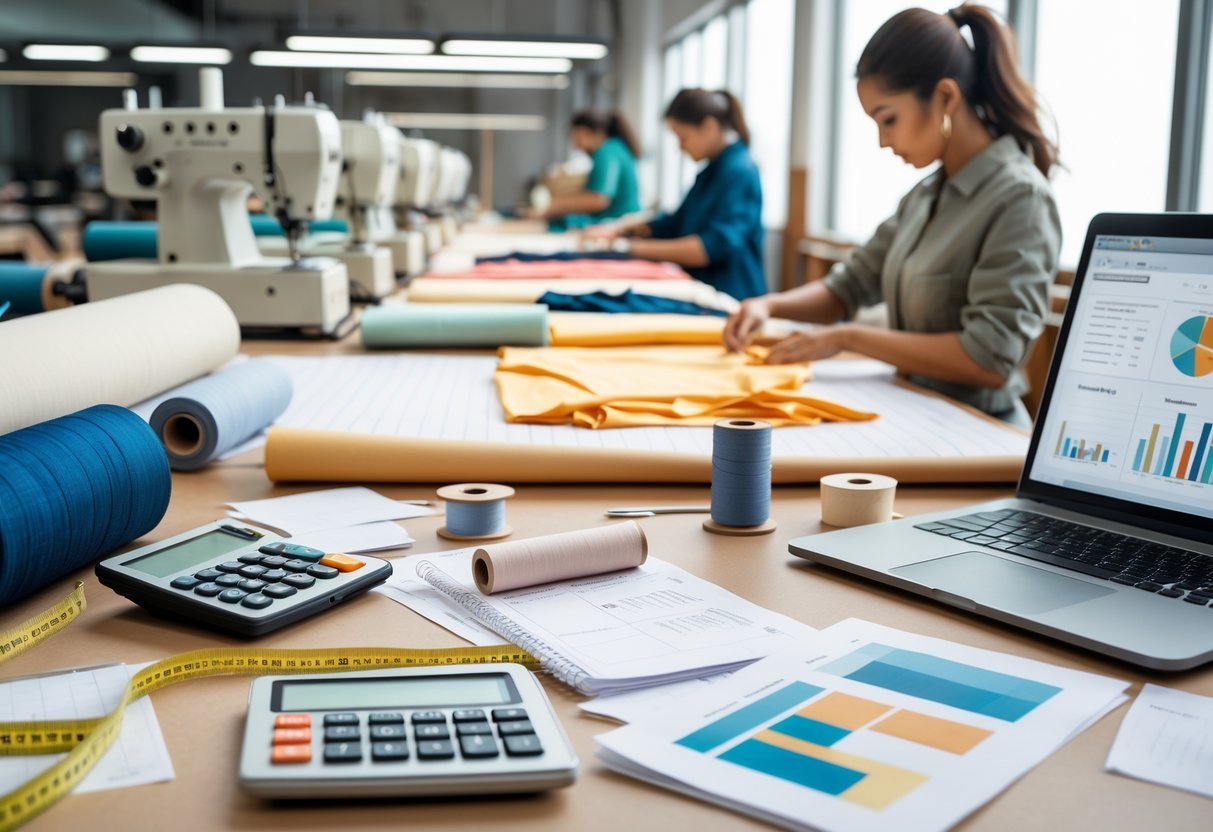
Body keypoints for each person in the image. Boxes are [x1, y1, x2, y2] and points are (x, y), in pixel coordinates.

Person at [724, 4, 1061, 425]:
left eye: (889, 119)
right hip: (917, 412)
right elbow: (851, 284)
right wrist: (769, 305)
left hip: (980, 431)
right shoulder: (925, 195)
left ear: (945, 97)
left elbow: (989, 359)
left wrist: (849, 337)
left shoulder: (1020, 198)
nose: (883, 141)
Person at [585, 89, 766, 301]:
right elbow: (679, 223)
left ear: (709, 127)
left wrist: (630, 248)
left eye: (683, 137)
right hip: (704, 287)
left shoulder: (739, 170)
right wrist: (631, 229)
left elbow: (710, 247)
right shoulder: (712, 171)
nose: (680, 147)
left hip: (731, 294)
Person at [532, 110, 641, 230]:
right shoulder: (616, 148)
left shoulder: (606, 152)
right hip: (621, 221)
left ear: (597, 134)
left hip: (618, 223)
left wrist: (553, 204)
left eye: (579, 139)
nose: (577, 146)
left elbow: (598, 200)